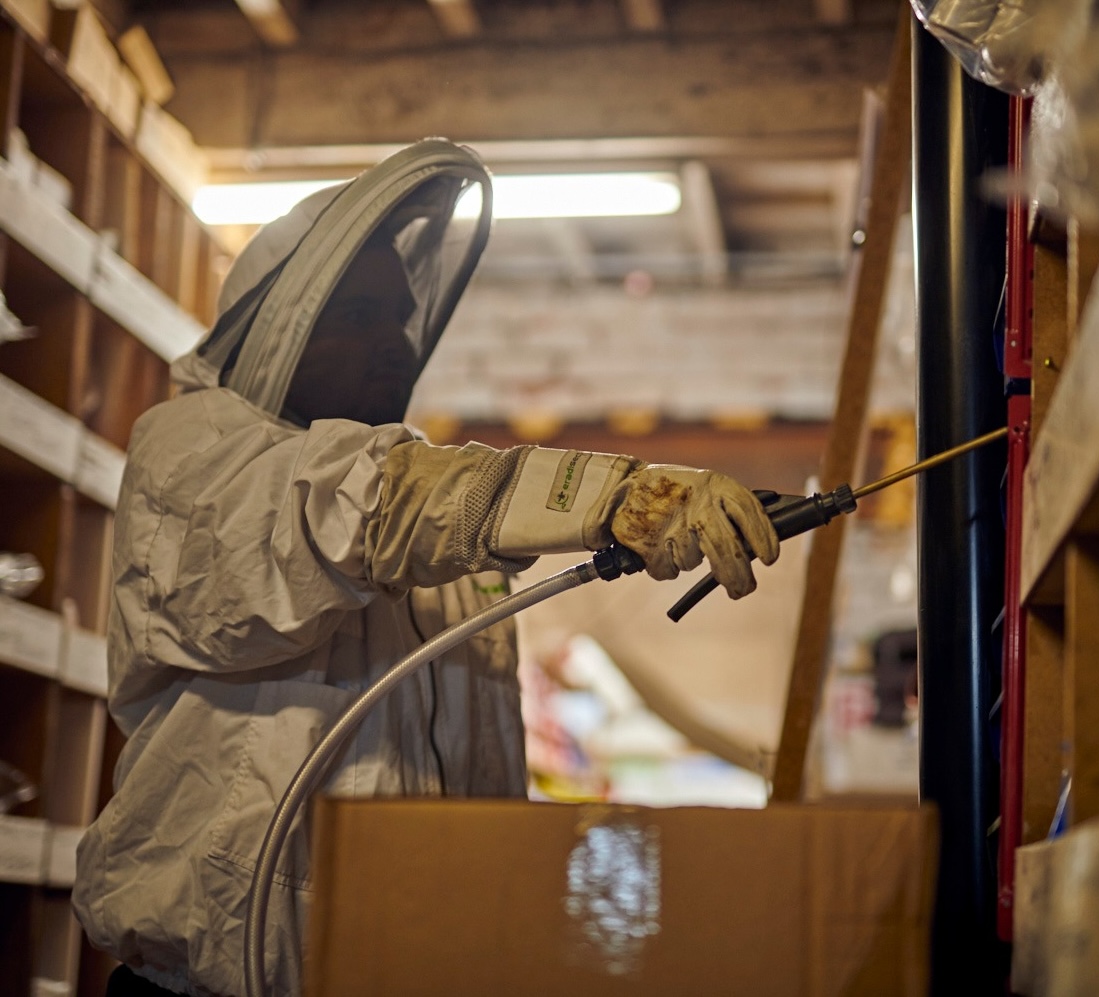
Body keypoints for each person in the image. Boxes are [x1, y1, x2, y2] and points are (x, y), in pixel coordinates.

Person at [72, 139, 779, 997]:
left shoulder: (433, 531)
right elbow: (351, 506)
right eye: (362, 316)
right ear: (280, 328)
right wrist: (616, 494)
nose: (396, 344)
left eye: (401, 317)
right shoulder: (195, 452)